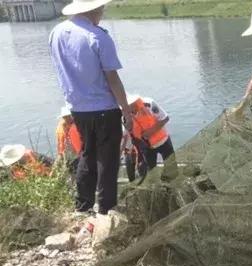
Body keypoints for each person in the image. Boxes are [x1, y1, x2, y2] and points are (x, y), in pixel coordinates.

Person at [49, 0, 132, 215]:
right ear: (92, 10)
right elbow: (112, 78)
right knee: (108, 159)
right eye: (101, 9)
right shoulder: (98, 36)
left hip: (77, 108)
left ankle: (83, 206)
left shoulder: (56, 33)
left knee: (87, 154)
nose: (102, 12)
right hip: (104, 107)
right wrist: (126, 109)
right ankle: (106, 208)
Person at [126, 94, 177, 179]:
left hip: (163, 141)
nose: (129, 109)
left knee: (171, 168)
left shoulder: (149, 104)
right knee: (151, 172)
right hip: (146, 147)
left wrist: (150, 132)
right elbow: (128, 135)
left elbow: (165, 118)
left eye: (130, 105)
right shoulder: (125, 115)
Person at [55, 106, 83, 174]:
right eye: (65, 117)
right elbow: (60, 144)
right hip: (68, 154)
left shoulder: (77, 124)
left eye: (69, 116)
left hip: (77, 153)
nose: (67, 118)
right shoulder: (61, 129)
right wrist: (60, 155)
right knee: (69, 169)